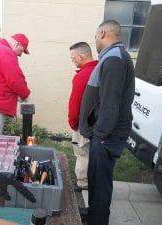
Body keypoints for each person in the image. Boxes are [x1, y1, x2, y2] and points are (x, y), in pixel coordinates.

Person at [78, 20, 135, 225]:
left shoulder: (114, 59)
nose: (95, 42)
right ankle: (94, 214)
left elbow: (111, 103)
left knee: (101, 183)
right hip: (103, 134)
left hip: (106, 136)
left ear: (103, 34)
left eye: (95, 37)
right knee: (96, 178)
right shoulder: (112, 58)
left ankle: (98, 220)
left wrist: (100, 135)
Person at [68, 42, 98, 191]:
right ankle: (91, 180)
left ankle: (83, 184)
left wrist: (73, 123)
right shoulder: (99, 69)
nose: (72, 60)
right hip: (96, 123)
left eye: (73, 57)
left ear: (80, 57)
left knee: (82, 153)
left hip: (83, 124)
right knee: (91, 153)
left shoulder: (83, 75)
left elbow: (76, 103)